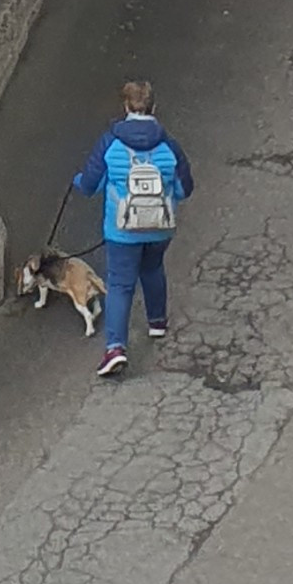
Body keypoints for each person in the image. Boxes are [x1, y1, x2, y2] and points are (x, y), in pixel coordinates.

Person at [71, 78, 192, 379]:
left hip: (121, 230)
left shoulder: (110, 144)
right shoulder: (168, 145)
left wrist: (76, 180)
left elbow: (90, 185)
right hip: (160, 227)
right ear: (155, 107)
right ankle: (157, 321)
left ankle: (115, 348)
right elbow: (184, 188)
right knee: (152, 269)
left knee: (121, 283)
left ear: (125, 107)